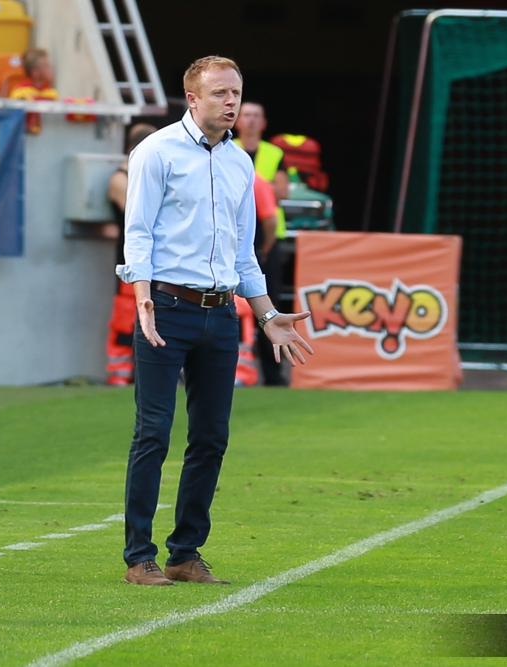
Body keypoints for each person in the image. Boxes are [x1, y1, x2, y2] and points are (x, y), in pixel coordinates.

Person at [117, 55, 313, 586]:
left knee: (210, 437)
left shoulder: (240, 163)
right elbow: (138, 232)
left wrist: (267, 314)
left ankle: (185, 553)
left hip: (221, 313)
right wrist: (141, 296)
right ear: (192, 98)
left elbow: (243, 252)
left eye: (236, 93)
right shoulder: (155, 151)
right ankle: (139, 557)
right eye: (220, 93)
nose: (232, 103)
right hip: (165, 308)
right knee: (153, 433)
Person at [233, 102, 289, 385]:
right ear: (237, 121)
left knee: (268, 302)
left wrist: (257, 186)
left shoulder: (273, 153)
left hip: (266, 240)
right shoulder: (226, 148)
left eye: (257, 116)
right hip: (235, 237)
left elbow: (282, 191)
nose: (251, 121)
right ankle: (237, 369)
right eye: (247, 115)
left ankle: (273, 374)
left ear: (264, 122)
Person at [105, 123, 157, 386]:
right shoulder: (120, 178)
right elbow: (139, 213)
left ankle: (145, 373)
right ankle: (121, 376)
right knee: (127, 321)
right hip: (131, 262)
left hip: (157, 262)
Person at [9, 48, 58, 134]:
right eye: (46, 66)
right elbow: (14, 118)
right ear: (35, 73)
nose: (51, 68)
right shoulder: (20, 91)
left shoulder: (51, 91)